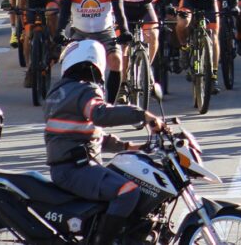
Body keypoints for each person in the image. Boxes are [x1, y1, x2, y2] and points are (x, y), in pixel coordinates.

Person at [44, 40, 165, 245]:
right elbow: (100, 115)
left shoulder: (59, 92)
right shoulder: (85, 90)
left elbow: (87, 134)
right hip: (76, 169)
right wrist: (145, 116)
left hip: (70, 165)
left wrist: (130, 147)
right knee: (128, 191)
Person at [58, 0, 132, 102]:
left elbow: (120, 13)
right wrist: (59, 31)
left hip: (105, 32)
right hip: (79, 33)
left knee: (116, 60)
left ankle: (110, 104)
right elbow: (64, 14)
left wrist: (124, 31)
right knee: (69, 64)